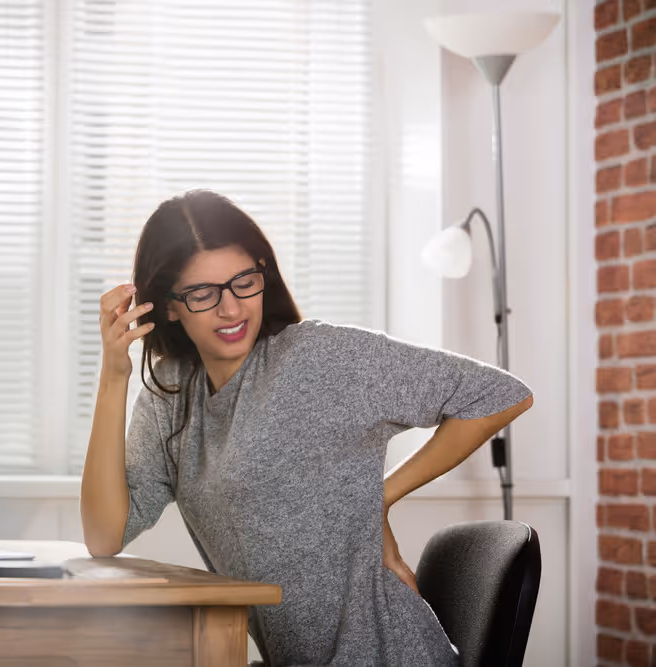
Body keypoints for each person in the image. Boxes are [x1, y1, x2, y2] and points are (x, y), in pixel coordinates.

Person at [80, 189, 534, 667]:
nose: (231, 309)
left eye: (243, 282)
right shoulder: (172, 394)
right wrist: (113, 374)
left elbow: (501, 395)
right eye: (202, 293)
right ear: (169, 306)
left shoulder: (313, 358)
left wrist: (379, 496)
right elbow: (104, 536)